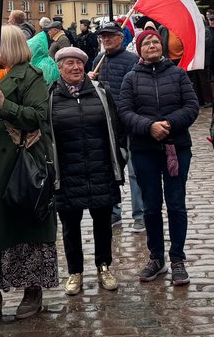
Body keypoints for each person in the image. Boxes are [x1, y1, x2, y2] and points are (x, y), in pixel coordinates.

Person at [0, 25, 57, 324]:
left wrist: (4, 105)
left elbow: (38, 115)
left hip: (19, 163)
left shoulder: (30, 76)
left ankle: (32, 291)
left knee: (23, 224)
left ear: (9, 45)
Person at [116, 28, 200, 284]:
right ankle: (156, 257)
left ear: (161, 46)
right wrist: (149, 127)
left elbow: (191, 106)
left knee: (176, 204)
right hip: (144, 151)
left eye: (155, 41)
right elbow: (125, 111)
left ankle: (177, 258)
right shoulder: (131, 78)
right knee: (151, 206)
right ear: (139, 49)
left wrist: (168, 124)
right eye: (146, 43)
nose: (152, 45)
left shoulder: (178, 74)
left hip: (176, 149)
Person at [48, 47, 126, 295]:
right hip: (67, 171)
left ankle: (104, 266)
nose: (75, 68)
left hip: (99, 167)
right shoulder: (50, 96)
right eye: (69, 63)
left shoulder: (101, 92)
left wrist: (120, 158)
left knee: (103, 223)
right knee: (70, 226)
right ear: (59, 68)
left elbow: (116, 126)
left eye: (79, 64)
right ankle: (75, 272)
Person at [90, 20, 143, 232]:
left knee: (135, 171)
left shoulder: (132, 61)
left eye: (111, 36)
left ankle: (140, 214)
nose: (107, 40)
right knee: (109, 171)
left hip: (128, 123)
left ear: (121, 38)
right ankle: (113, 213)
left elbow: (137, 92)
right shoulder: (97, 61)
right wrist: (89, 81)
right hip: (105, 124)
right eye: (103, 37)